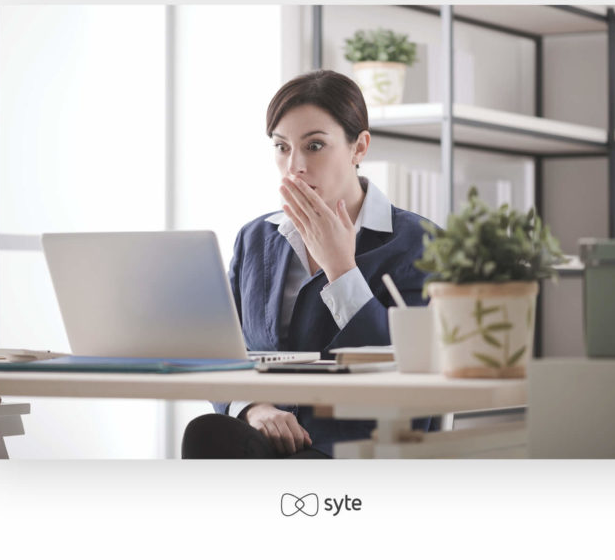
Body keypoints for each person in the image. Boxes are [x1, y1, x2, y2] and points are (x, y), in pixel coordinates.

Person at [181, 70, 436, 459]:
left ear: (359, 148)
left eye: (314, 146)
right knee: (207, 432)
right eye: (282, 147)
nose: (294, 166)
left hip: (360, 448)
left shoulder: (419, 243)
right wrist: (252, 407)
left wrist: (341, 269)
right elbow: (224, 356)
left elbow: (410, 378)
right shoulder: (255, 240)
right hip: (265, 445)